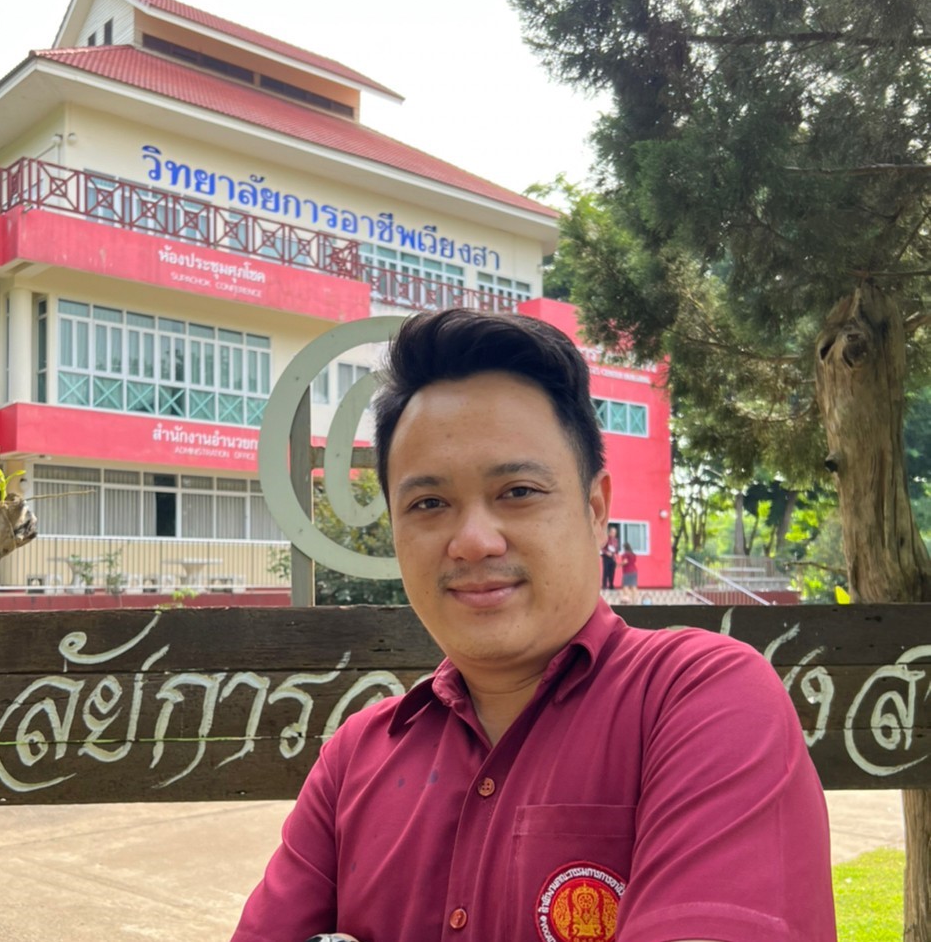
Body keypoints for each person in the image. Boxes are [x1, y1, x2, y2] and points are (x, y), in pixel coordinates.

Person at [231, 309, 835, 942]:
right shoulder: (355, 759)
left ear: (595, 509)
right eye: (429, 503)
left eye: (517, 491)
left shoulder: (703, 700)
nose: (473, 541)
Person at [600, 523, 620, 589]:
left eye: (615, 532)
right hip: (606, 557)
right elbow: (601, 548)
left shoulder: (616, 540)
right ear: (609, 532)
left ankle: (611, 585)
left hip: (612, 557)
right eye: (612, 532)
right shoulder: (606, 539)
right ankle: (604, 585)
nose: (613, 533)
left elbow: (616, 549)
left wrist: (616, 553)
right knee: (606, 571)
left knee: (612, 572)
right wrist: (606, 552)